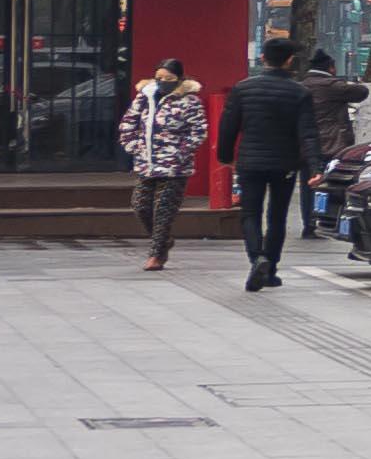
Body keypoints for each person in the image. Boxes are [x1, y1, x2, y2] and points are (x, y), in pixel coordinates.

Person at [218, 38, 321, 288]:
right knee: (277, 217)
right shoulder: (300, 92)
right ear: (289, 61)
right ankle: (271, 268)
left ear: (263, 58)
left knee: (250, 213)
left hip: (250, 162)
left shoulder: (243, 88)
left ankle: (257, 258)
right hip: (284, 164)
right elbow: (308, 133)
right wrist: (315, 168)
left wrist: (225, 157)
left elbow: (227, 126)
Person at [118, 58, 207, 273]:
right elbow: (128, 124)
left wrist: (180, 152)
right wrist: (134, 146)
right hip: (146, 163)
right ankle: (164, 240)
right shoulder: (144, 98)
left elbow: (198, 132)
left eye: (169, 79)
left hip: (174, 166)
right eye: (159, 78)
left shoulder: (189, 101)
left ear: (179, 79)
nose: (163, 82)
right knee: (140, 206)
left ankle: (156, 254)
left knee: (163, 210)